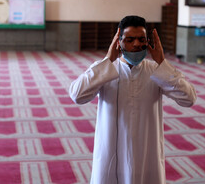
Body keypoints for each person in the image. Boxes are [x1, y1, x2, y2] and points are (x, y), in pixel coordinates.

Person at [69, 15, 196, 184]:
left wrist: (162, 62)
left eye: (141, 39)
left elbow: (189, 98)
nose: (136, 44)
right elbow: (77, 95)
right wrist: (108, 60)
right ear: (118, 42)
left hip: (147, 154)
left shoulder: (156, 70)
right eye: (129, 40)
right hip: (111, 155)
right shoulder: (106, 69)